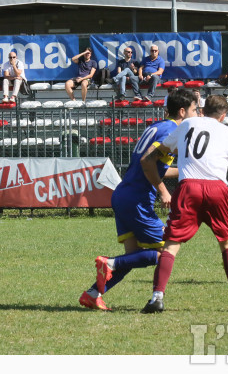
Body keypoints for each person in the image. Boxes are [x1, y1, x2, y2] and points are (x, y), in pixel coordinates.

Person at [138, 95, 228, 313]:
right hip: (216, 189)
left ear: (202, 110)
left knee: (172, 244)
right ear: (223, 115)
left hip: (188, 189)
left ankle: (157, 297)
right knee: (226, 242)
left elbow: (164, 150)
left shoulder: (187, 124)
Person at [79, 89, 199, 310]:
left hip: (124, 194)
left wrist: (185, 172)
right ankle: (109, 263)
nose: (197, 114)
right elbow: (147, 162)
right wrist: (164, 191)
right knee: (165, 251)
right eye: (195, 109)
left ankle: (93, 293)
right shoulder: (172, 130)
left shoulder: (158, 126)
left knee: (133, 256)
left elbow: (156, 166)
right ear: (182, 111)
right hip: (137, 200)